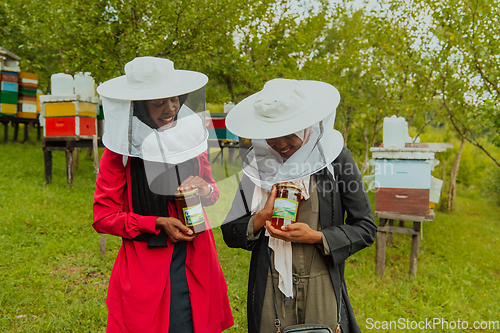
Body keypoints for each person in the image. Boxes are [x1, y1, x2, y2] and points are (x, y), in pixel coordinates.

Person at [221, 78, 377, 333]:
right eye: (272, 137)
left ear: (307, 126)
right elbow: (230, 230)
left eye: (289, 135)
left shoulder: (335, 159)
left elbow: (365, 227)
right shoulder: (257, 166)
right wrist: (262, 217)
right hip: (269, 282)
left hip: (321, 282)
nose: (280, 144)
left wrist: (316, 236)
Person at [93, 56, 233, 333]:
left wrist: (205, 189)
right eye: (159, 103)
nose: (170, 109)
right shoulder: (120, 151)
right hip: (147, 266)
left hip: (197, 255)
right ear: (139, 107)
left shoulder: (191, 136)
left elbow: (213, 191)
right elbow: (103, 218)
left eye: (175, 100)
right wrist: (156, 223)